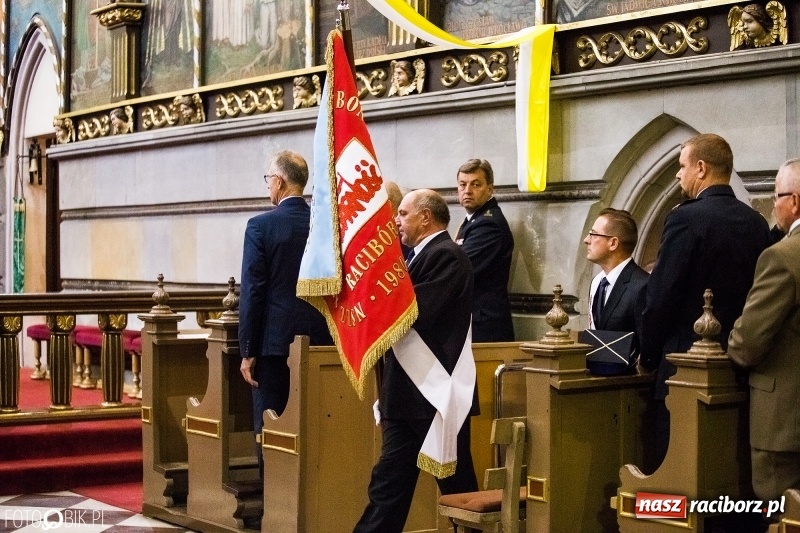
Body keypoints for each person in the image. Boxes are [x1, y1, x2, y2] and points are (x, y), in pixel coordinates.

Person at [639, 133, 772, 464]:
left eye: (681, 166)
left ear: (701, 168)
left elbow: (661, 296)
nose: (677, 174)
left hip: (683, 369)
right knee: (723, 470)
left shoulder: (685, 218)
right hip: (736, 368)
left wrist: (649, 356)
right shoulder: (755, 223)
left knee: (676, 474)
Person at [354, 189, 479, 533]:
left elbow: (415, 311)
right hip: (409, 394)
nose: (397, 221)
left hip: (434, 392)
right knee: (389, 486)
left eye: (403, 214)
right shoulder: (417, 256)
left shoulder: (448, 255)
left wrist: (372, 292)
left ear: (426, 217)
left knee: (458, 490)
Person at [239, 150, 332, 476]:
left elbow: (252, 291)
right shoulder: (326, 227)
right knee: (315, 423)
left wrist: (247, 351)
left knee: (271, 424)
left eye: (268, 179)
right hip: (322, 341)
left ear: (278, 181)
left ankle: (274, 505)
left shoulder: (261, 226)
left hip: (274, 345)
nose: (268, 186)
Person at [728, 158, 800, 505]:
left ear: (795, 201)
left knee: (780, 513)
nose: (775, 206)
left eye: (776, 197)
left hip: (785, 423)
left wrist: (732, 339)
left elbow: (747, 344)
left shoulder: (783, 257)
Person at [455, 159, 515, 342]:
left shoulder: (488, 224)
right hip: (475, 321)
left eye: (476, 184)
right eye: (462, 185)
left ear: (490, 189)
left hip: (485, 325)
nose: (467, 191)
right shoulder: (474, 220)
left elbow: (459, 268)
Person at [584, 208, 648, 333]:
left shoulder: (643, 286)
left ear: (613, 243)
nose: (586, 240)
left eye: (594, 234)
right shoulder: (597, 282)